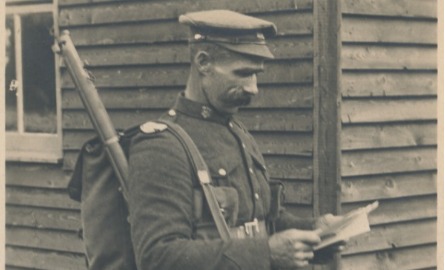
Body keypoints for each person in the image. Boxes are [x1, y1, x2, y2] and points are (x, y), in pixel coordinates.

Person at [127, 9, 342, 270]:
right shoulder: (162, 146)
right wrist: (267, 254)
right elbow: (158, 257)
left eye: (256, 75)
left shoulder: (238, 133)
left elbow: (261, 221)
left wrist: (315, 230)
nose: (254, 88)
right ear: (203, 63)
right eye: (243, 73)